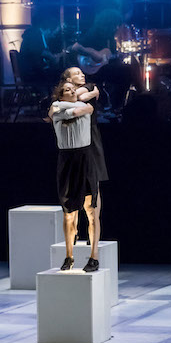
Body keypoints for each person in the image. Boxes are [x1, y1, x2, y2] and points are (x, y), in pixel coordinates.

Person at [49, 81, 100, 272]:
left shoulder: (63, 107)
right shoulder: (58, 108)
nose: (72, 92)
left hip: (84, 158)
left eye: (73, 89)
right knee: (69, 212)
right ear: (60, 95)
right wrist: (83, 103)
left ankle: (93, 257)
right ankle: (69, 255)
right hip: (67, 160)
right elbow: (79, 110)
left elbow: (84, 110)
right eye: (67, 90)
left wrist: (83, 104)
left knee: (90, 209)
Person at [60, 67, 107, 244]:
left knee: (93, 186)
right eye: (77, 74)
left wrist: (89, 93)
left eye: (82, 73)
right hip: (72, 143)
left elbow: (80, 96)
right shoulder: (65, 94)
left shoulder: (89, 86)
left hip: (90, 141)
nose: (82, 75)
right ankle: (75, 232)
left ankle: (93, 229)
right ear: (68, 80)